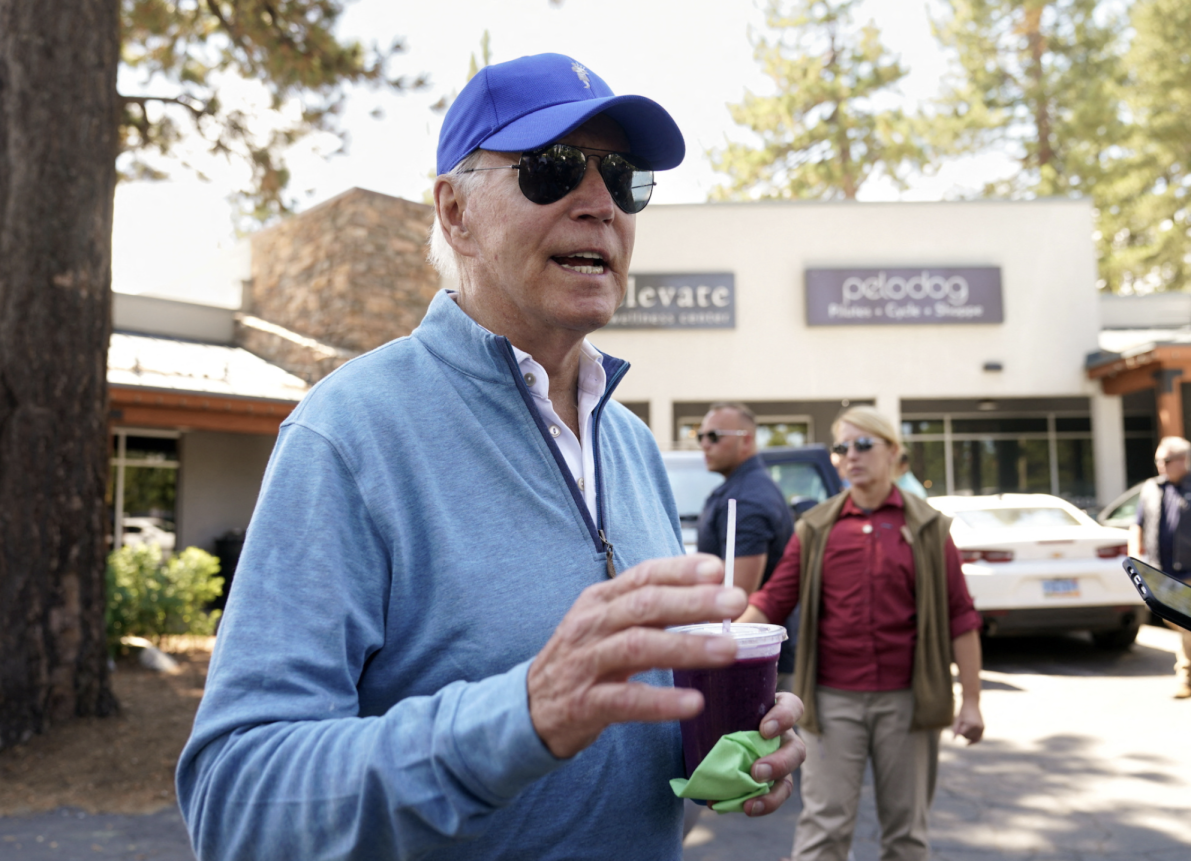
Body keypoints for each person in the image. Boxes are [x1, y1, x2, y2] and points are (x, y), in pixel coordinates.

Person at [176, 53, 806, 861]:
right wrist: (523, 714)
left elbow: (619, 738)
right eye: (550, 170)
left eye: (622, 176)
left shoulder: (632, 444)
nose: (598, 203)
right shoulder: (348, 434)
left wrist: (725, 746)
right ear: (455, 211)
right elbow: (237, 801)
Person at [738, 405, 985, 861]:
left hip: (908, 701)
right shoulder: (816, 527)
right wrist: (726, 643)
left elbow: (961, 616)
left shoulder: (928, 528)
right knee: (824, 829)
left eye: (864, 444)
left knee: (906, 835)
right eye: (841, 447)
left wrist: (971, 701)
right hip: (831, 701)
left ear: (893, 451)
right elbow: (773, 599)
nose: (851, 454)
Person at [696, 402, 794, 595]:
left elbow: (735, 600)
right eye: (701, 437)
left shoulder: (746, 500)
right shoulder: (744, 488)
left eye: (714, 436)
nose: (705, 444)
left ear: (746, 441)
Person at [1129, 436, 1191, 699]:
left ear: (1182, 460)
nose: (1160, 466)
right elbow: (1138, 523)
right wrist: (1134, 555)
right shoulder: (1151, 488)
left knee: (1187, 622)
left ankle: (1186, 677)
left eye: (1165, 460)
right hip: (1160, 571)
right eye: (1157, 461)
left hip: (1189, 571)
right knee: (1177, 621)